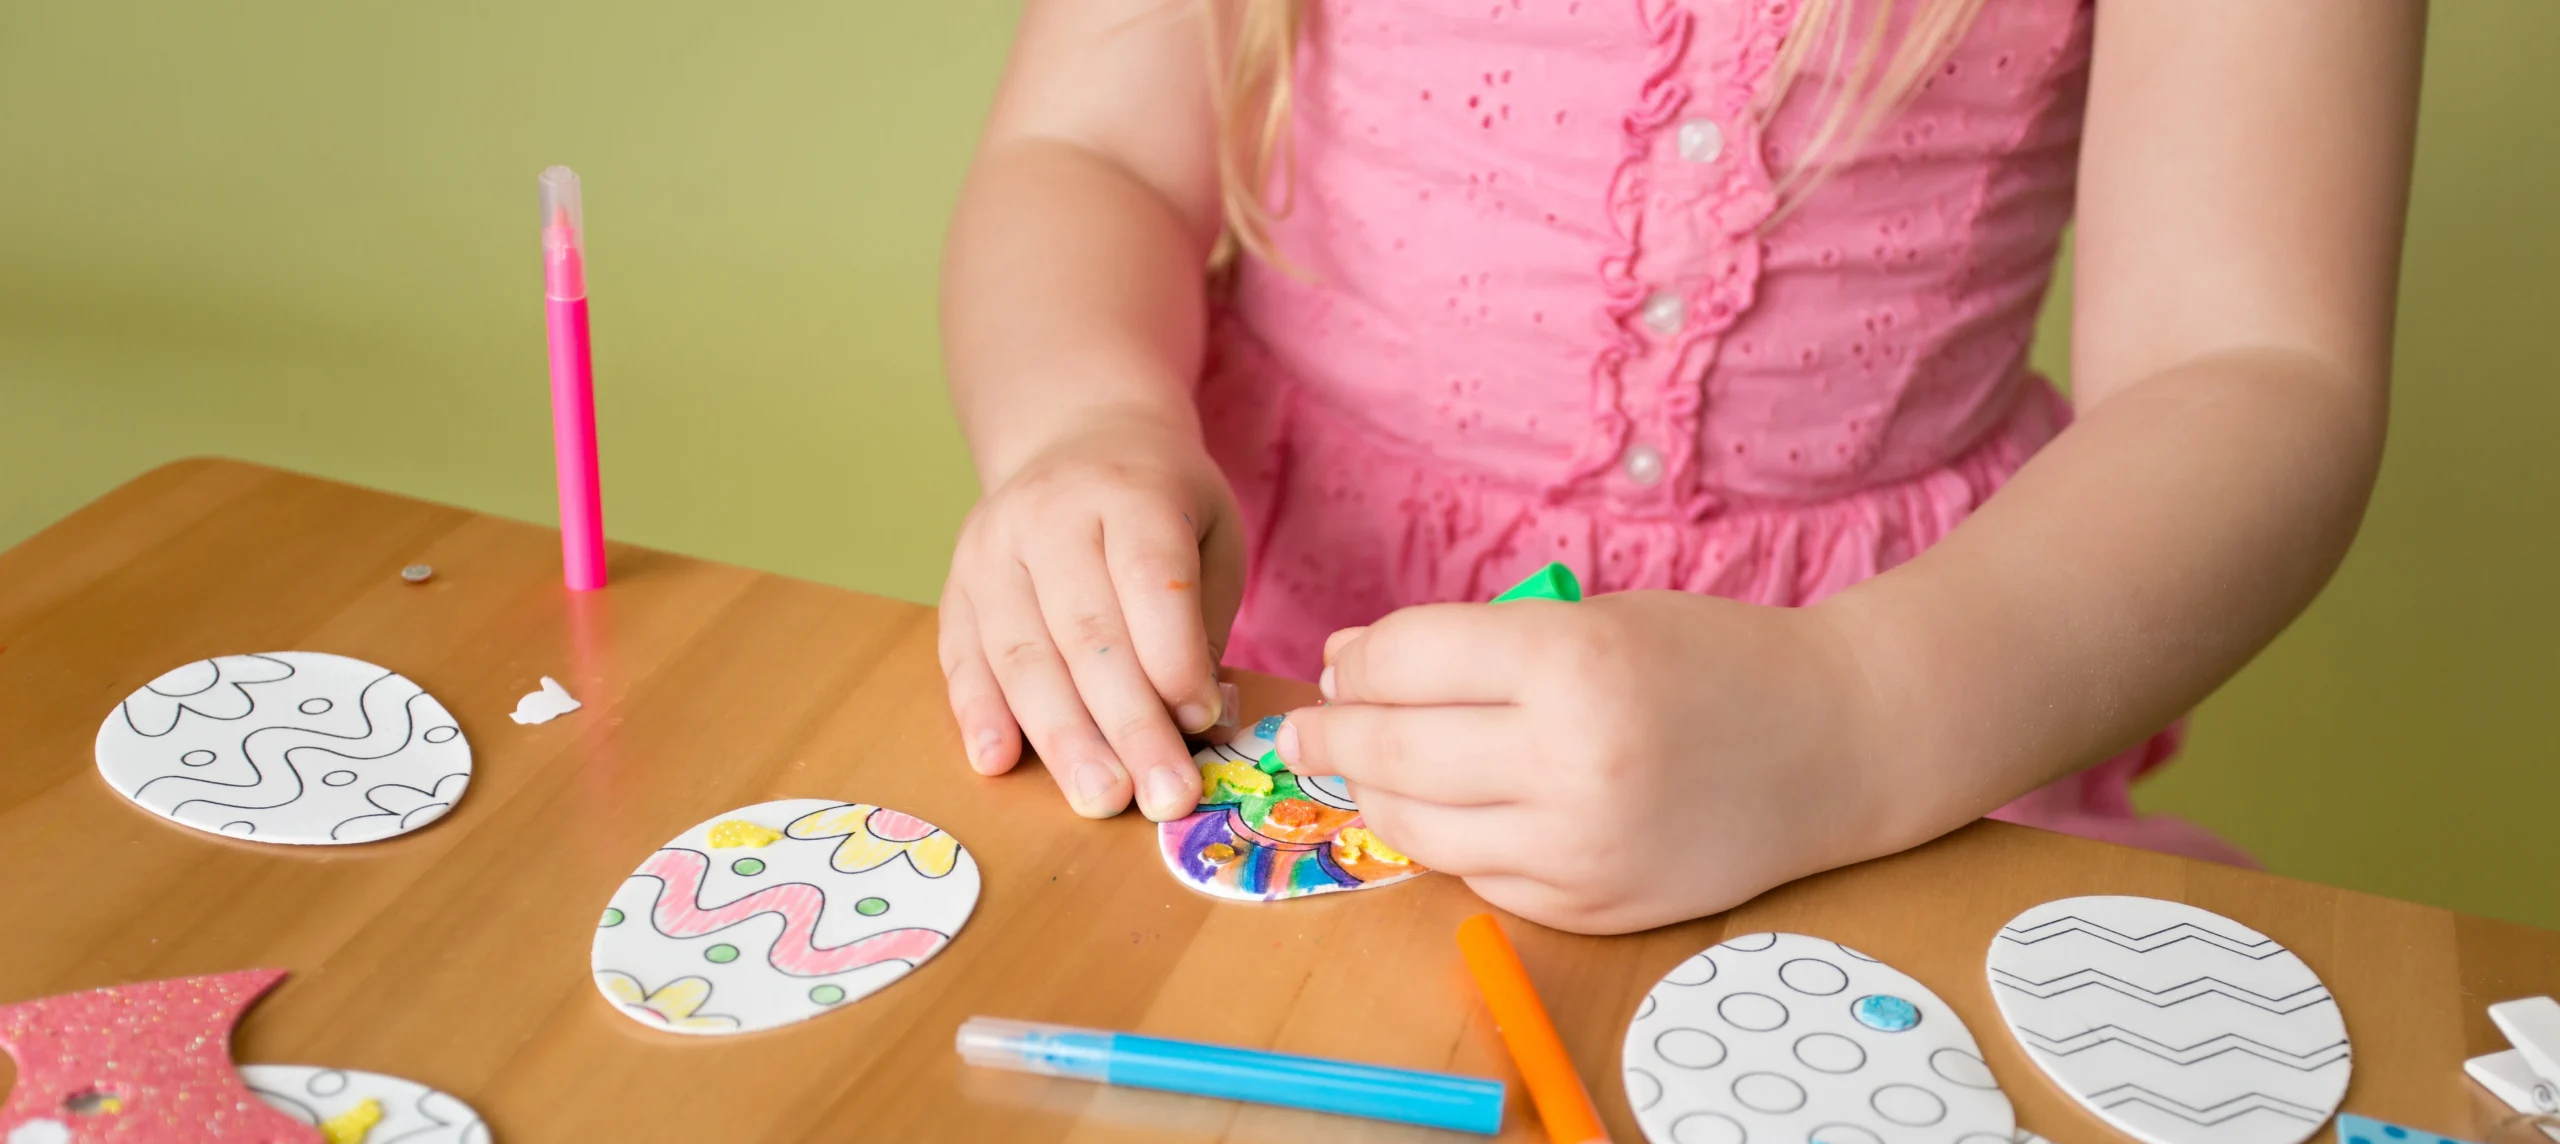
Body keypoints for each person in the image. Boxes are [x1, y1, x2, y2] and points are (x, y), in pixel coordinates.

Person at [935, 0, 2421, 933]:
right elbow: (1093, 154)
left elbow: (2248, 372)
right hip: (1281, 693)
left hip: (1903, 756)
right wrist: (1084, 424)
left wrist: (1852, 718)